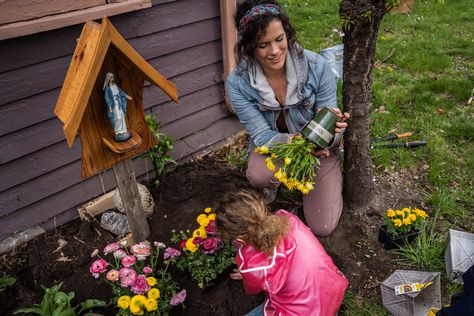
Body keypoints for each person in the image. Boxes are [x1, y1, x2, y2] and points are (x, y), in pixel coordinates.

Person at [226, 0, 350, 236]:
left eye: (279, 39)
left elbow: (329, 120)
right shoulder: (238, 83)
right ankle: (282, 182)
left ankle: (317, 180)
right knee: (258, 174)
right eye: (263, 45)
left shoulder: (317, 67)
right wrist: (295, 144)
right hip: (278, 150)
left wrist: (335, 133)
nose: (274, 51)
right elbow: (262, 135)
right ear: (250, 46)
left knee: (323, 228)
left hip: (319, 153)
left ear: (287, 33)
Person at [216, 190, 348, 316]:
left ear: (239, 238)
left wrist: (248, 273)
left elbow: (253, 289)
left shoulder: (254, 265)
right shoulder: (287, 219)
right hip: (332, 289)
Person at [103, 72, 133, 142]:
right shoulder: (107, 88)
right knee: (118, 117)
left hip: (119, 101)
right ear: (108, 79)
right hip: (114, 104)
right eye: (111, 77)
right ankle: (118, 131)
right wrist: (109, 106)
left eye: (113, 77)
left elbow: (120, 91)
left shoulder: (114, 85)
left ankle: (123, 130)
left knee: (122, 115)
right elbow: (106, 97)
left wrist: (126, 96)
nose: (112, 78)